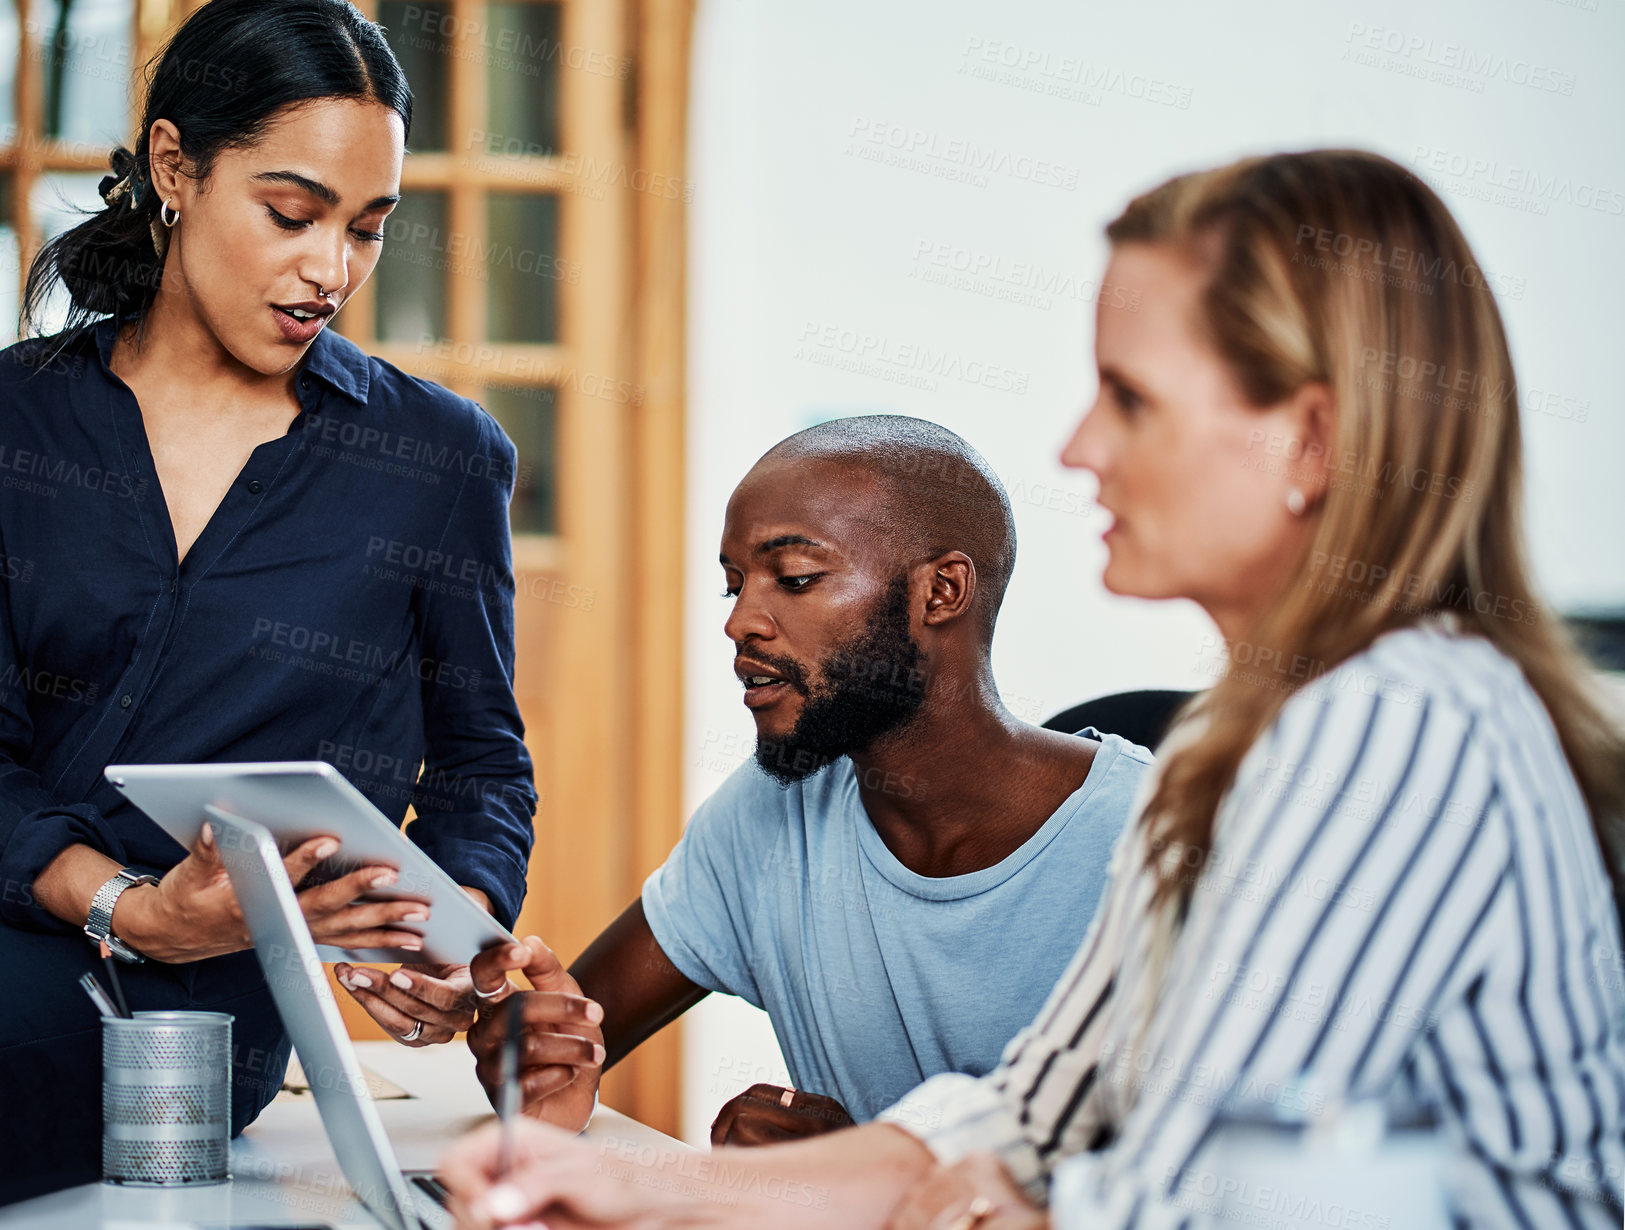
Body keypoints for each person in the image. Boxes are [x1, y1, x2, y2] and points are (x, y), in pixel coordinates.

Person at [439, 149, 1625, 1229]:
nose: (1075, 448)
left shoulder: (1401, 730)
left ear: (1307, 443)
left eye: (1130, 398)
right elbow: (1021, 1118)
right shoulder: (1224, 769)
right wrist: (635, 1184)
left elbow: (1181, 1204)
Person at [0, 0, 535, 1202]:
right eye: (292, 215)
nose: (329, 271)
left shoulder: (437, 461)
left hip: (195, 1018)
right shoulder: (13, 423)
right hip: (65, 924)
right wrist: (133, 908)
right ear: (177, 168)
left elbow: (479, 768)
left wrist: (457, 941)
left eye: (367, 229)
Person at [462, 416, 1152, 1144]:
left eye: (793, 579)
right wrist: (535, 1057)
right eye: (733, 585)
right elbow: (576, 1029)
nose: (739, 624)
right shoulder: (772, 811)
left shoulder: (1161, 847)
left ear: (941, 591)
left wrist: (847, 1175)